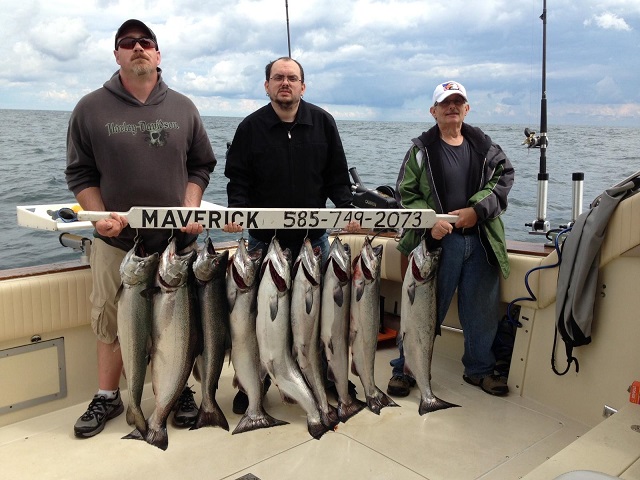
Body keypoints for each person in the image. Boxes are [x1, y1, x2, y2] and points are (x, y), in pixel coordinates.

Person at [65, 19, 217, 437]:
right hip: (118, 244)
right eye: (127, 42)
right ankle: (108, 396)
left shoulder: (184, 107)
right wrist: (100, 217)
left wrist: (190, 208)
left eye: (145, 41)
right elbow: (80, 173)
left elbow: (201, 165)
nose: (137, 47)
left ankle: (177, 390)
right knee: (111, 322)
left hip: (176, 246)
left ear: (157, 54)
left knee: (177, 325)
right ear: (116, 54)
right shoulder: (90, 108)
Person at [223, 56, 358, 413]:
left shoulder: (323, 123)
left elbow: (337, 177)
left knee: (319, 320)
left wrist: (347, 210)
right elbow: (238, 179)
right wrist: (236, 211)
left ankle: (323, 377)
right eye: (278, 77)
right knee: (259, 321)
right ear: (266, 85)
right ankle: (255, 381)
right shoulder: (250, 128)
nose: (285, 83)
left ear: (303, 86)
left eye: (292, 78)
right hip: (263, 243)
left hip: (314, 242)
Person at [387, 80, 514, 397]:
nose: (452, 107)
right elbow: (405, 195)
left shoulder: (487, 149)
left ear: (467, 109)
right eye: (445, 102)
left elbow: (503, 180)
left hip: (481, 240)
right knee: (422, 310)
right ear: (434, 111)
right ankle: (405, 369)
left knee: (482, 311)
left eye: (458, 101)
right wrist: (430, 222)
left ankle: (480, 370)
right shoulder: (419, 151)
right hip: (436, 245)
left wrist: (476, 210)